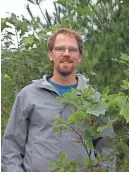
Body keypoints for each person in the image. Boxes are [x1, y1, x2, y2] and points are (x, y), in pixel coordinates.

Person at [1, 28, 115, 172]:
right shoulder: (28, 96)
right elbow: (11, 148)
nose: (66, 54)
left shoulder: (94, 100)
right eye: (60, 48)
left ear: (80, 56)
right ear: (51, 54)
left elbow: (106, 149)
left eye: (72, 50)